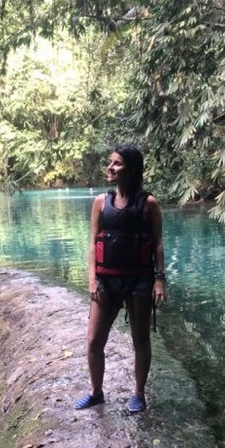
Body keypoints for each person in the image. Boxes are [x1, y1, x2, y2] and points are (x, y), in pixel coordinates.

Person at [74, 144, 167, 413]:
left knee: (140, 339)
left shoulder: (148, 203)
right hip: (107, 281)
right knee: (93, 340)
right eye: (110, 163)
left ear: (132, 169)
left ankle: (138, 394)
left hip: (139, 280)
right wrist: (92, 280)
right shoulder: (101, 202)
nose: (110, 168)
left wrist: (159, 280)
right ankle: (96, 392)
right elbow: (93, 244)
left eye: (116, 163)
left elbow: (158, 243)